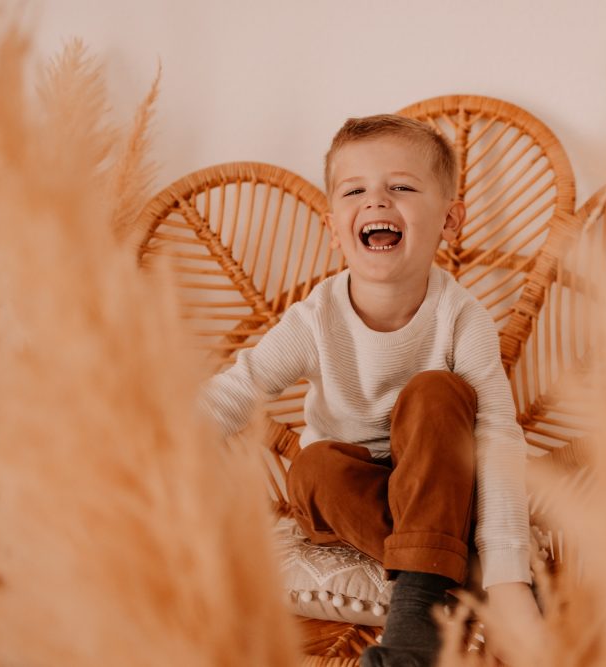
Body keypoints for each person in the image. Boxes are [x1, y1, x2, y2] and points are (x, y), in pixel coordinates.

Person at [202, 114, 539, 666]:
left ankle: (415, 627)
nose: (378, 200)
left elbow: (497, 436)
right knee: (311, 469)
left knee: (436, 391)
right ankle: (455, 567)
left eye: (402, 187)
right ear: (334, 226)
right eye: (355, 190)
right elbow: (239, 388)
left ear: (450, 220)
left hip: (443, 486)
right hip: (350, 494)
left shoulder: (462, 318)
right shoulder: (314, 319)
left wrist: (510, 577)